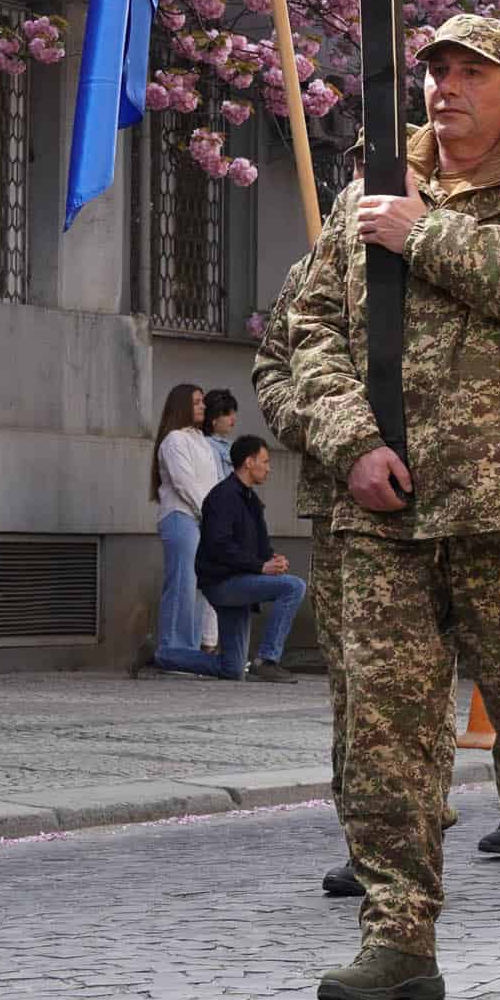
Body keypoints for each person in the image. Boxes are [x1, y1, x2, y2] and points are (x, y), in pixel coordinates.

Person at [286, 14, 500, 1000]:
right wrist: (353, 444)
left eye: (471, 72)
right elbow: (305, 333)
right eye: (435, 70)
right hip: (384, 507)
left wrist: (424, 230)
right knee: (383, 728)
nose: (446, 88)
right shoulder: (365, 196)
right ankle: (399, 934)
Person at [248, 241, 367, 896]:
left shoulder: (451, 235)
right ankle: (369, 833)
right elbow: (274, 364)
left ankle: (419, 819)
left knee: (419, 673)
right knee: (351, 677)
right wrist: (318, 423)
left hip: (439, 497)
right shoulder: (318, 267)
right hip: (339, 499)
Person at [191, 437, 308, 681]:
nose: (269, 467)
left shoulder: (251, 500)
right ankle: (267, 660)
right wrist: (261, 566)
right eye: (265, 461)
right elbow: (219, 546)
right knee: (294, 587)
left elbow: (260, 546)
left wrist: (274, 560)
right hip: (222, 583)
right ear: (248, 462)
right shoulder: (223, 496)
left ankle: (160, 654)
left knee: (231, 668)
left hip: (239, 580)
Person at [147, 382, 224, 674]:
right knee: (182, 585)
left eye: (203, 401)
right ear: (181, 406)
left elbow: (214, 484)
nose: (203, 406)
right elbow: (184, 482)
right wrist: (209, 513)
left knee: (197, 587)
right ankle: (174, 653)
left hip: (202, 518)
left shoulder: (202, 442)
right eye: (196, 402)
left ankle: (189, 654)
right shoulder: (174, 440)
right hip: (181, 518)